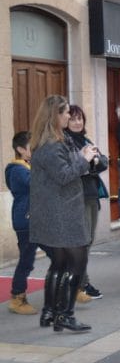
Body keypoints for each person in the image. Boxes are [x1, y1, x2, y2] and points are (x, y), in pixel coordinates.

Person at [29, 95, 98, 332]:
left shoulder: (54, 140)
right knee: (78, 262)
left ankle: (49, 313)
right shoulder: (51, 145)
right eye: (66, 112)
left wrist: (83, 155)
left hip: (58, 210)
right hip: (61, 213)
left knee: (59, 263)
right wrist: (84, 159)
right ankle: (65, 315)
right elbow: (64, 175)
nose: (70, 116)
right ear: (55, 115)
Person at [64, 105, 109, 301]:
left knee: (87, 240)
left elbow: (103, 161)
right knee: (80, 242)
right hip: (76, 197)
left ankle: (78, 280)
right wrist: (88, 161)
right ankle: (80, 283)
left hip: (91, 194)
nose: (77, 122)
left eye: (80, 118)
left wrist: (94, 161)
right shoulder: (64, 142)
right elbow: (71, 167)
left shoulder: (85, 140)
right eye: (73, 119)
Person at [6, 132, 43, 315]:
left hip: (38, 220)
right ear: (21, 149)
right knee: (26, 261)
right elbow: (36, 183)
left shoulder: (28, 166)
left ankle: (72, 287)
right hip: (26, 221)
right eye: (32, 146)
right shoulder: (17, 170)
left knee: (59, 253)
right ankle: (17, 298)